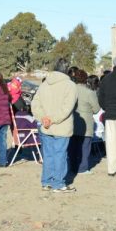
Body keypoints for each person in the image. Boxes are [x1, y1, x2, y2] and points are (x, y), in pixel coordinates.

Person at [32, 58, 78, 192]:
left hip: (46, 126)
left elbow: (35, 104)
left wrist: (44, 118)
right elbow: (67, 108)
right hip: (61, 126)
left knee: (48, 155)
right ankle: (58, 183)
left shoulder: (44, 84)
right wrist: (51, 119)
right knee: (60, 155)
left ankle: (46, 181)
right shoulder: (70, 85)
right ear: (67, 70)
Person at [69, 69, 101, 176]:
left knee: (73, 146)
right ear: (86, 80)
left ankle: (73, 167)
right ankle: (82, 168)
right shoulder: (90, 92)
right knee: (85, 147)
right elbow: (96, 109)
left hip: (72, 122)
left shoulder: (70, 90)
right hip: (86, 123)